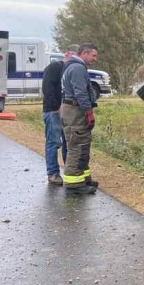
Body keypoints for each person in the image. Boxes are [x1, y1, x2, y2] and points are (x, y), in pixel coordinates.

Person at [60, 43, 99, 195]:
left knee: (82, 144)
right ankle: (74, 184)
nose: (95, 59)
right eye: (93, 55)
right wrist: (88, 112)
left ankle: (83, 178)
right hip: (75, 111)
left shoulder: (72, 66)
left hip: (72, 109)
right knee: (77, 146)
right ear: (84, 53)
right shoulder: (77, 68)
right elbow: (80, 92)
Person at [42, 45, 79, 185]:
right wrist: (55, 108)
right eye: (75, 55)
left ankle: (69, 172)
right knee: (53, 142)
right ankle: (53, 174)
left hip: (66, 112)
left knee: (67, 143)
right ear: (68, 53)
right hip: (53, 112)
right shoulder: (54, 68)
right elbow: (48, 89)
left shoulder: (70, 70)